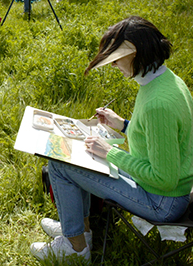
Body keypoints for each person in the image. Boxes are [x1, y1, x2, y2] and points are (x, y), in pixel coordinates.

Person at [30, 16, 193, 263]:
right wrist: (124, 125)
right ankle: (78, 232)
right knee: (75, 159)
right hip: (163, 190)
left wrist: (110, 153)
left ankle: (75, 247)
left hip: (162, 201)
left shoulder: (158, 103)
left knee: (60, 164)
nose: (115, 65)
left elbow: (164, 178)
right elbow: (165, 139)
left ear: (136, 53)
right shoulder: (166, 82)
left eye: (117, 59)